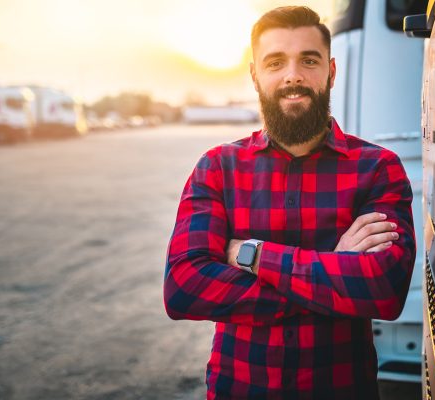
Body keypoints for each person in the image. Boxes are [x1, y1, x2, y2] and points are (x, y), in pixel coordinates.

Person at [163, 5, 415, 400]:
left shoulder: (378, 168)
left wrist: (253, 255)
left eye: (308, 60)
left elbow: (384, 289)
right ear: (254, 75)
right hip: (239, 389)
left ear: (331, 71)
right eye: (276, 61)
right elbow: (184, 288)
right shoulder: (218, 167)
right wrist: (335, 276)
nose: (293, 75)